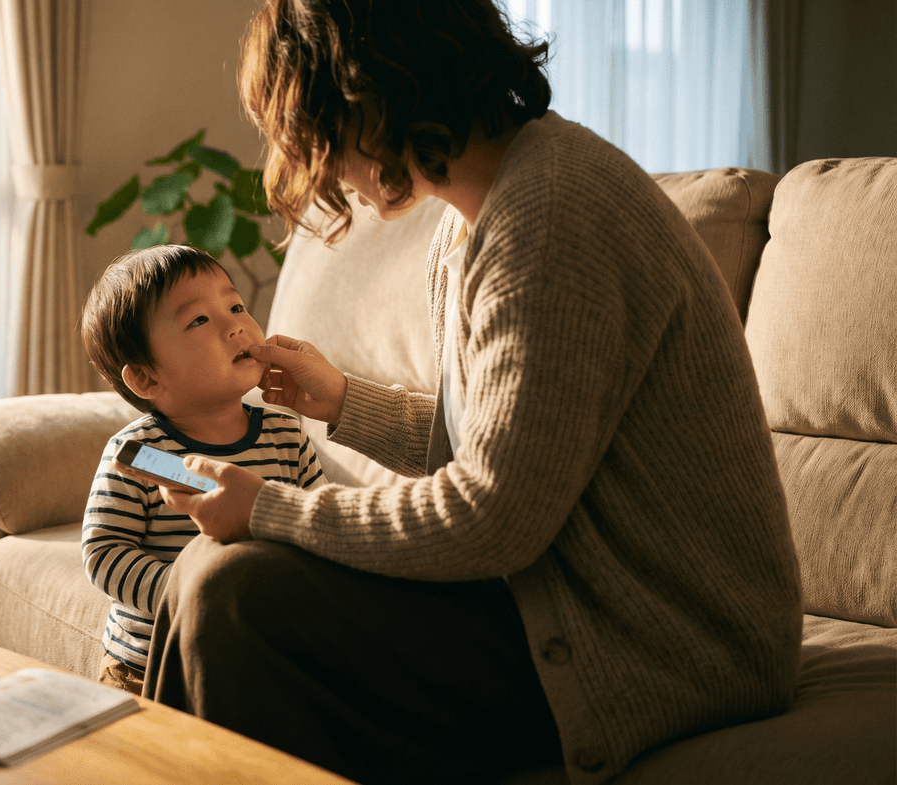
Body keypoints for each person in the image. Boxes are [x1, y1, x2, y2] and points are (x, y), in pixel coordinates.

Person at [140, 1, 804, 784]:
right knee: (206, 572)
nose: (321, 171)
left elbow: (492, 517)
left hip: (669, 637)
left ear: (368, 100)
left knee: (234, 595)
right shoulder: (473, 219)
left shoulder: (551, 215)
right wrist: (345, 401)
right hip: (556, 590)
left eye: (314, 134)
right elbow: (497, 446)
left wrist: (269, 508)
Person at [78, 244, 328, 695]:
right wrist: (185, 593)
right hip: (150, 665)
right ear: (148, 379)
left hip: (262, 651)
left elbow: (321, 523)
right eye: (199, 320)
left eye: (235, 305)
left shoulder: (285, 434)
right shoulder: (141, 452)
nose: (235, 325)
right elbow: (104, 552)